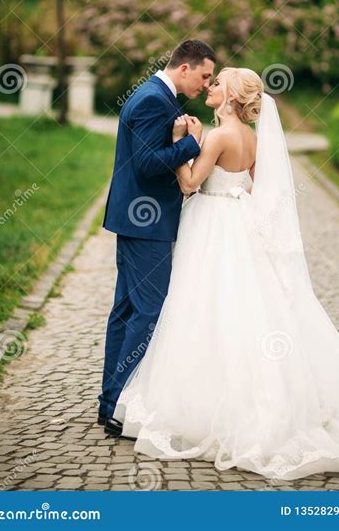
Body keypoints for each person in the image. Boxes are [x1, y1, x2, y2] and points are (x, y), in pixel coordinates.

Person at [112, 66, 339, 480]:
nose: (211, 87)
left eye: (217, 84)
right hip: (239, 225)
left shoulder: (215, 136)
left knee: (205, 308)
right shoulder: (252, 139)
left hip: (212, 225)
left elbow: (190, 184)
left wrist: (184, 141)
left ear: (232, 96)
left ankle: (205, 404)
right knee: (246, 309)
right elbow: (256, 187)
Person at [97, 40, 216, 436]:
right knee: (146, 313)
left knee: (127, 311)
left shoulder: (154, 96)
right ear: (185, 69)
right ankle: (119, 405)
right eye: (204, 75)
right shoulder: (153, 101)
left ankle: (111, 401)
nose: (206, 83)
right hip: (144, 225)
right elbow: (147, 166)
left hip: (136, 222)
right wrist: (191, 145)